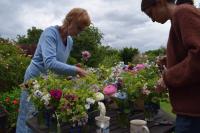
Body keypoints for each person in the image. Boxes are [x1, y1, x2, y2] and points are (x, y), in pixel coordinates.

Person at [16, 8, 91, 133]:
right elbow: (50, 63)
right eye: (79, 28)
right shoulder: (50, 33)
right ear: (70, 21)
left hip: (49, 81)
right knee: (29, 116)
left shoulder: (70, 41)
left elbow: (59, 63)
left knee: (43, 117)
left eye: (82, 30)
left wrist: (73, 67)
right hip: (34, 80)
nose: (79, 33)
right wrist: (76, 70)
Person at [141, 0, 200, 132]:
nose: (152, 20)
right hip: (190, 110)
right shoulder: (179, 16)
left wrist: (167, 77)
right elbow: (189, 53)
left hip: (194, 112)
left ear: (160, 2)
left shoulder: (183, 12)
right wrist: (169, 59)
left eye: (151, 14)